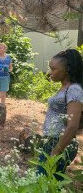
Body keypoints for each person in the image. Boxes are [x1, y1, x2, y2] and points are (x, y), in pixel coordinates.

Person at [38, 49, 83, 180]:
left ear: (67, 70)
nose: (50, 73)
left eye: (54, 69)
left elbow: (72, 125)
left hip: (60, 144)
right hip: (52, 141)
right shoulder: (65, 87)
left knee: (45, 182)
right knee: (46, 182)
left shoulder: (74, 90)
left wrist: (56, 152)